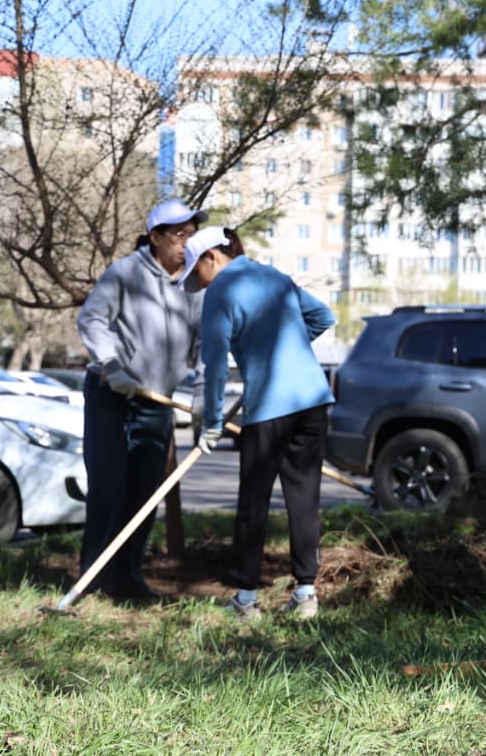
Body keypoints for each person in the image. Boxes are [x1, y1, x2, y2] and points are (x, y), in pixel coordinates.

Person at [176, 226, 335, 621]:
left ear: (211, 257)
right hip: (313, 400)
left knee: (253, 501)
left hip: (270, 409)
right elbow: (322, 317)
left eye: (195, 270)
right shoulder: (274, 276)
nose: (196, 281)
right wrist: (285, 350)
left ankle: (246, 599)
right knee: (304, 496)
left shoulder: (221, 292)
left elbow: (214, 365)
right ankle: (305, 594)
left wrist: (211, 422)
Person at [76, 197, 207, 600]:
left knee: (145, 494)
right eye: (179, 234)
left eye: (192, 234)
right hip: (110, 395)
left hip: (157, 403)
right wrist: (111, 364)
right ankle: (93, 582)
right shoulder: (125, 273)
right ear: (155, 237)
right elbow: (92, 319)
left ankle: (128, 579)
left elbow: (206, 342)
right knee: (108, 488)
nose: (187, 242)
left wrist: (204, 391)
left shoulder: (194, 283)